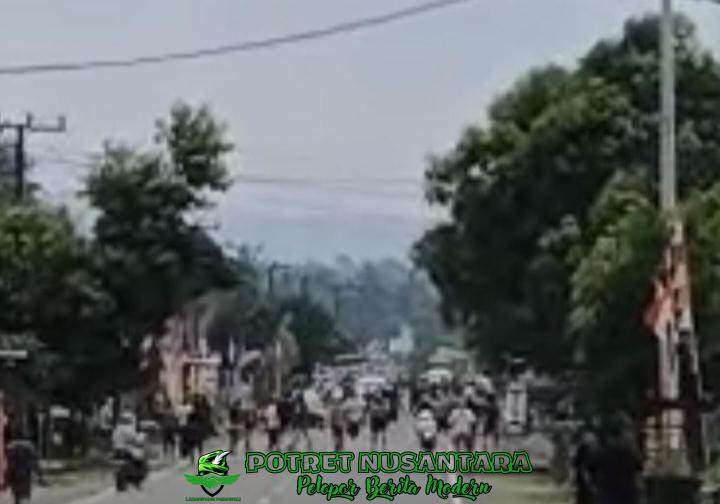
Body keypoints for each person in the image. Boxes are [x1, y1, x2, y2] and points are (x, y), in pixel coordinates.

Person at [6, 427, 46, 504]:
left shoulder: (10, 446)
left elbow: (8, 462)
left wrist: (7, 478)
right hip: (26, 475)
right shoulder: (29, 446)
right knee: (25, 497)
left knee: (17, 496)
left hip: (14, 475)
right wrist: (40, 475)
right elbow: (35, 461)